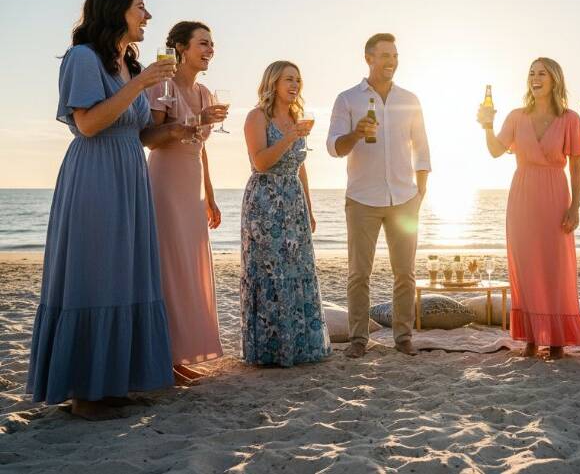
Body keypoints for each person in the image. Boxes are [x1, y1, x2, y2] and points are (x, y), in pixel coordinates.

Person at [27, 0, 175, 419]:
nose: (148, 15)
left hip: (130, 174)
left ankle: (111, 383)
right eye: (140, 7)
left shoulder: (128, 64)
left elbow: (139, 133)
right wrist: (141, 83)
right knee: (95, 273)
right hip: (95, 176)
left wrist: (181, 129)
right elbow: (89, 124)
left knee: (125, 274)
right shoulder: (83, 58)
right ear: (115, 10)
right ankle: (85, 394)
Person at [477, 57, 580, 360]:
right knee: (526, 266)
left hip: (555, 196)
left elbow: (577, 167)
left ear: (555, 79)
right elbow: (495, 151)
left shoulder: (569, 119)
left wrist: (575, 207)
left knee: (556, 267)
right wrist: (487, 125)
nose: (535, 78)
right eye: (531, 73)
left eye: (542, 73)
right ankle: (530, 337)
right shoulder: (516, 117)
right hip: (522, 198)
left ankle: (556, 341)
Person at [327, 33, 431, 358]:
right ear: (368, 58)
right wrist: (356, 132)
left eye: (395, 56)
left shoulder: (409, 99)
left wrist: (421, 190)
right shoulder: (347, 99)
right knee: (359, 274)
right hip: (362, 199)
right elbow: (334, 147)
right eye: (385, 55)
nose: (391, 61)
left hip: (404, 198)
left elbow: (422, 147)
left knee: (405, 274)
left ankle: (403, 337)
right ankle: (359, 339)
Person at [141, 21, 228, 384]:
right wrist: (195, 119)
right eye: (203, 43)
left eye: (212, 44)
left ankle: (180, 355)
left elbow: (201, 149)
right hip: (165, 182)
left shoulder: (205, 92)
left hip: (192, 187)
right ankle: (164, 359)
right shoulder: (164, 85)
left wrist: (210, 196)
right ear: (180, 47)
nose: (210, 49)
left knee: (190, 268)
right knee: (169, 268)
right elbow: (150, 137)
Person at [240, 61, 331, 366]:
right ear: (273, 83)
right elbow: (260, 162)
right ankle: (271, 350)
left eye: (298, 80)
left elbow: (300, 167)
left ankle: (301, 346)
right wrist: (290, 137)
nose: (295, 85)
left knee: (298, 269)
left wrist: (309, 208)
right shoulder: (256, 117)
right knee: (270, 271)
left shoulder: (295, 117)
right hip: (265, 201)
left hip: (293, 201)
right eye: (288, 79)